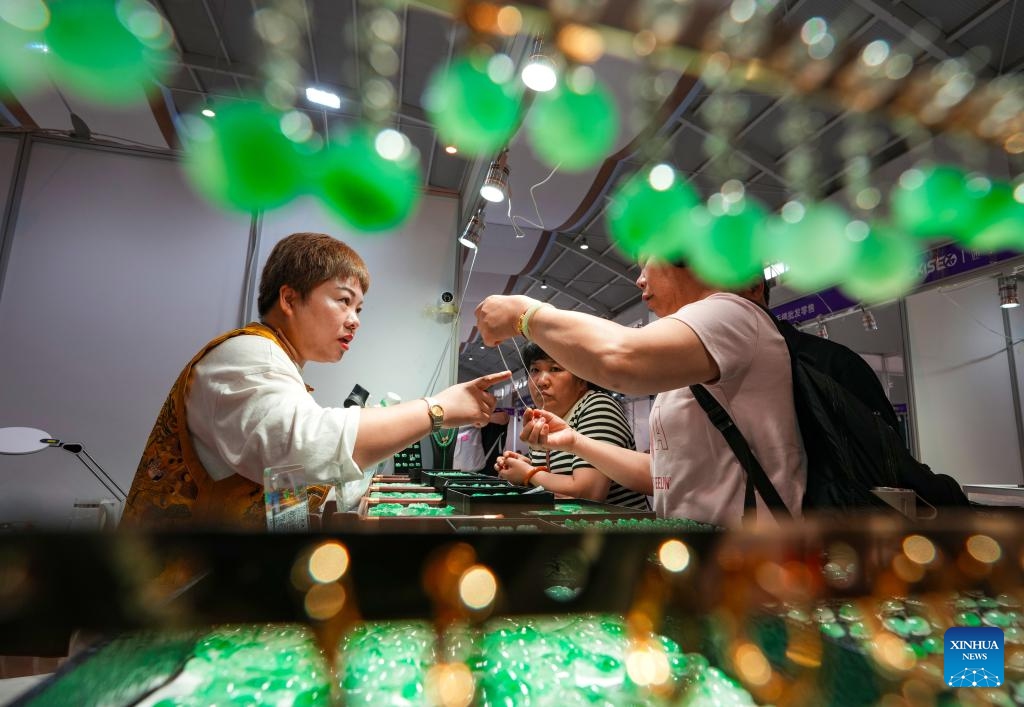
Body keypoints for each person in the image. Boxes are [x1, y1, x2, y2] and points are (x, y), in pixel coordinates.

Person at [122, 232, 510, 529]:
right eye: (342, 300)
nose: (355, 319)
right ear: (289, 299)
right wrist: (435, 409)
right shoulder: (245, 355)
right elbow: (304, 449)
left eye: (358, 308)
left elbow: (290, 487)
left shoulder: (281, 369)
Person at [475, 258, 805, 527]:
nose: (640, 279)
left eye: (648, 263)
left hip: (750, 562)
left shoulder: (733, 312)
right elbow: (661, 474)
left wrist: (526, 315)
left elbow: (620, 358)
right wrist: (574, 442)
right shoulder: (690, 367)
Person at [493, 343, 649, 510]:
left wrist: (528, 474)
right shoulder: (542, 417)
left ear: (581, 379)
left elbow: (589, 493)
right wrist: (526, 466)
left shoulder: (597, 406)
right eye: (534, 370)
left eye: (555, 369)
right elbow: (557, 479)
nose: (541, 381)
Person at [752, 279, 901, 433]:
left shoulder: (832, 366)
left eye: (725, 298)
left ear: (753, 287)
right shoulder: (734, 377)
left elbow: (887, 451)